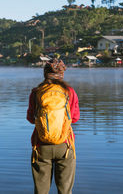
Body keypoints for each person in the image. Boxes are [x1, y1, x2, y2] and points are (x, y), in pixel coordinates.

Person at [27, 59, 80, 194]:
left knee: (41, 191)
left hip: (41, 145)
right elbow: (75, 118)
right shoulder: (69, 92)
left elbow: (30, 119)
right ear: (62, 74)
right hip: (65, 146)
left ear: (45, 73)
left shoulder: (36, 92)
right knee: (65, 191)